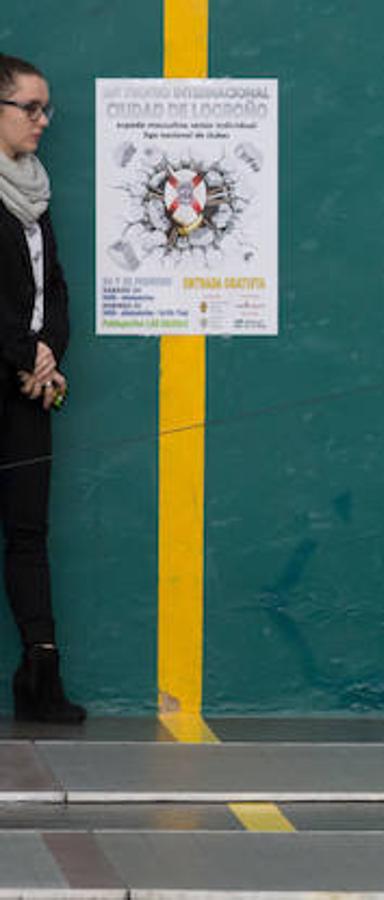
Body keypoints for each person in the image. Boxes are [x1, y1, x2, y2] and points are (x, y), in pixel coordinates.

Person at [0, 54, 81, 724]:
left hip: (28, 388)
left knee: (30, 531)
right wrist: (25, 351)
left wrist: (49, 353)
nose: (43, 120)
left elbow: (52, 283)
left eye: (45, 108)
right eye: (30, 107)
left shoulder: (32, 191)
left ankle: (41, 675)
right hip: (12, 368)